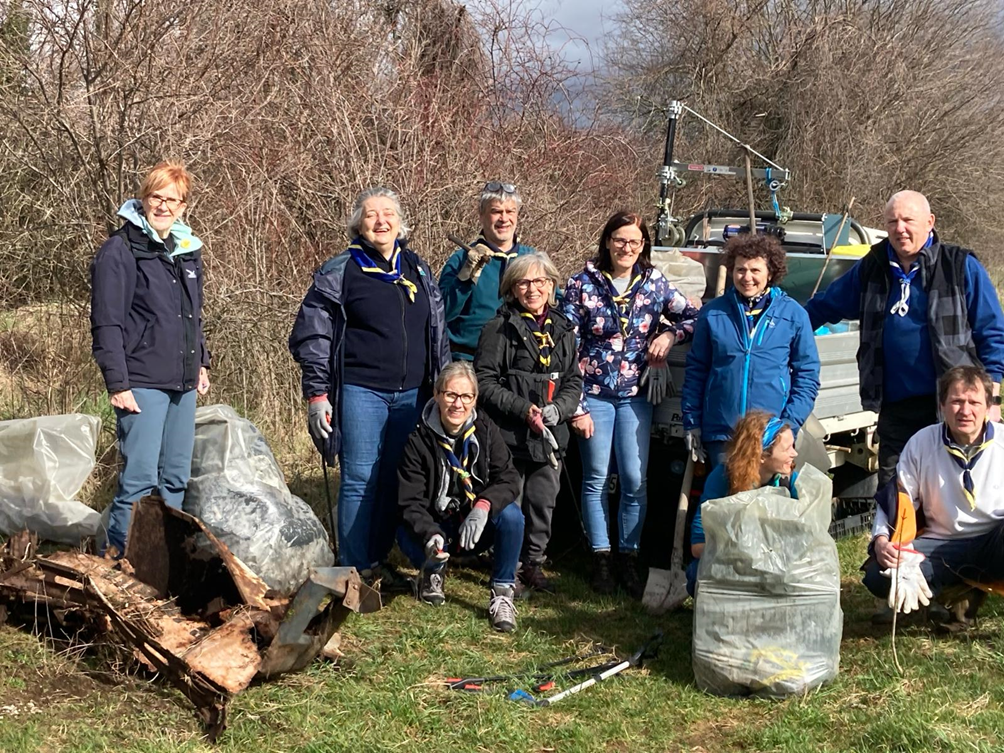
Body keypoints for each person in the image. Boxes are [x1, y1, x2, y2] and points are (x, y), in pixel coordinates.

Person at [289, 187, 450, 585]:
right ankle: (353, 567)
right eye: (371, 215)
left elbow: (438, 332)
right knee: (361, 477)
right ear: (358, 225)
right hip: (362, 391)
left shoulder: (418, 269)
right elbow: (312, 336)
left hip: (413, 394)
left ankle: (378, 558)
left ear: (401, 223)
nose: (381, 221)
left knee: (396, 476)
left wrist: (443, 386)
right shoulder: (340, 270)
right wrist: (317, 394)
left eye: (388, 214)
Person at [805, 190, 1004, 488]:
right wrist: (781, 326)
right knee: (896, 490)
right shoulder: (872, 268)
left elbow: (992, 333)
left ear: (929, 222)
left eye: (908, 220)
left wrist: (992, 399)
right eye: (892, 221)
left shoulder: (959, 266)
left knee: (957, 487)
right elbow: (825, 305)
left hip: (953, 404)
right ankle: (895, 536)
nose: (900, 228)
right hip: (896, 408)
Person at [561, 210, 700, 597]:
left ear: (643, 246)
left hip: (635, 395)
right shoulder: (582, 283)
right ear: (607, 241)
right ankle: (600, 558)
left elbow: (694, 316)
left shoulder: (653, 282)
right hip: (593, 394)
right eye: (620, 239)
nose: (626, 247)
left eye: (634, 242)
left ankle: (629, 556)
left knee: (636, 481)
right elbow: (562, 339)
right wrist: (576, 403)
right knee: (597, 479)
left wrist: (670, 335)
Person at [90, 161, 211, 555]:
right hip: (141, 381)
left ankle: (163, 564)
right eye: (156, 197)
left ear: (183, 206)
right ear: (143, 199)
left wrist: (201, 362)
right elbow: (107, 322)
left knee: (175, 477)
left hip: (182, 380)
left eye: (171, 199)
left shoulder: (187, 251)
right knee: (140, 480)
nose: (163, 206)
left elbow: (192, 315)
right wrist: (118, 383)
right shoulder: (120, 250)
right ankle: (120, 565)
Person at [474, 252, 582, 594]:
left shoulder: (564, 328)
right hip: (509, 434)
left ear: (551, 285)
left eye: (540, 281)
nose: (532, 289)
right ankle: (509, 565)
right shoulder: (499, 327)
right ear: (512, 288)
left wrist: (560, 409)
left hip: (551, 436)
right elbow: (485, 381)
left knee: (543, 500)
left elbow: (573, 380)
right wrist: (524, 409)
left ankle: (535, 563)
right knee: (511, 501)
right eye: (523, 282)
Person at [863, 366, 1004, 618]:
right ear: (942, 404)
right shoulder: (921, 442)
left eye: (974, 402)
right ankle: (955, 592)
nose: (965, 411)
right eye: (956, 401)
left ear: (988, 406)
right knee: (879, 576)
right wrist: (881, 541)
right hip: (941, 543)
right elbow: (898, 500)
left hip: (993, 541)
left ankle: (964, 588)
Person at [397, 362, 524, 632]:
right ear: (437, 395)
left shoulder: (486, 430)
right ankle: (432, 572)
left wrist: (483, 506)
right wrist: (430, 532)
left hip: (473, 526)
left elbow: (510, 478)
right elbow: (411, 500)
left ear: (475, 399)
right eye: (451, 395)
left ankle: (502, 593)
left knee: (512, 515)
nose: (458, 404)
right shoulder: (418, 438)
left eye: (466, 396)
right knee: (403, 526)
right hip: (436, 528)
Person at [682, 233, 820, 470]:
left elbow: (806, 376)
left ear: (770, 272)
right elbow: (697, 371)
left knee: (764, 505)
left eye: (755, 270)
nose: (747, 277)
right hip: (722, 434)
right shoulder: (713, 313)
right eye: (740, 270)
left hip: (770, 437)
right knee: (724, 504)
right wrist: (692, 421)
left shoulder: (793, 315)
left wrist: (787, 425)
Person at [687, 411, 799, 597]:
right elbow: (698, 545)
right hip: (734, 562)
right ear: (762, 455)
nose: (794, 453)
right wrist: (740, 554)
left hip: (776, 563)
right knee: (695, 574)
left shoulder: (789, 480)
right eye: (787, 449)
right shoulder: (724, 479)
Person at [439, 181, 534, 360]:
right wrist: (464, 279)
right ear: (481, 216)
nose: (504, 219)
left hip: (517, 364)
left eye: (510, 211)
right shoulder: (461, 259)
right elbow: (441, 313)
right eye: (496, 211)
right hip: (468, 362)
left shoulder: (531, 260)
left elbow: (554, 308)